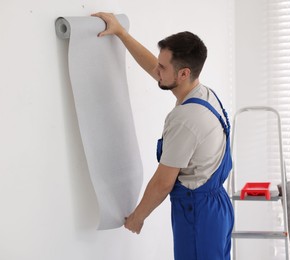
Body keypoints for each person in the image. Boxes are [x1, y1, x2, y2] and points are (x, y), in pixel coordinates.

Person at [92, 12, 234, 260]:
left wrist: (138, 217)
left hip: (197, 213)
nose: (157, 70)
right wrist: (122, 33)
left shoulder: (186, 119)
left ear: (183, 73)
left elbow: (163, 183)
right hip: (217, 208)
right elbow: (153, 68)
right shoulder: (204, 93)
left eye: (163, 67)